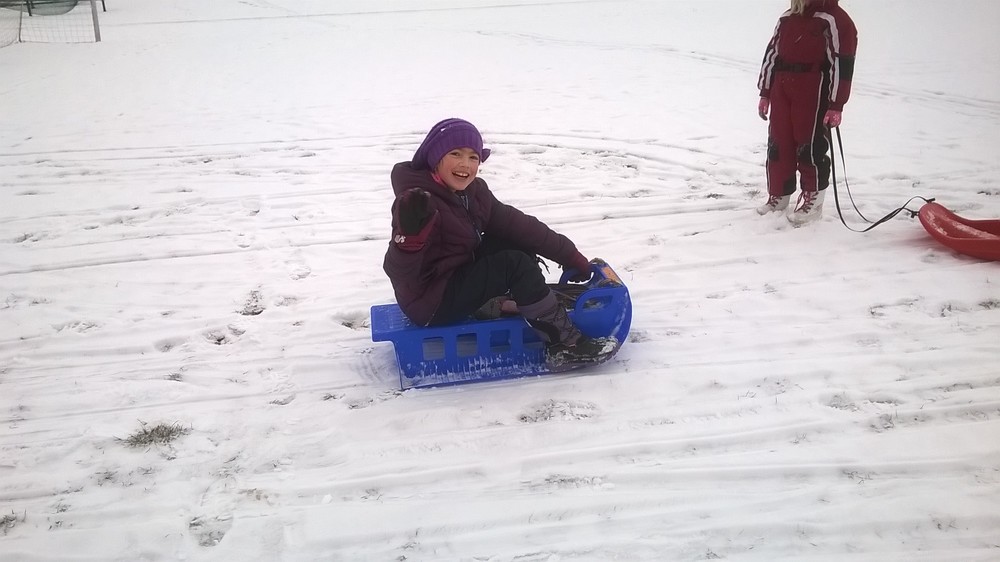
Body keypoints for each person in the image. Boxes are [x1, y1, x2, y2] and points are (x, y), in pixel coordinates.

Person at [382, 118, 617, 367]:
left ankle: (509, 302)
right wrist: (408, 242)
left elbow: (521, 226)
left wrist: (570, 255)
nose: (465, 164)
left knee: (515, 240)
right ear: (435, 157)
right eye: (455, 154)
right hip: (430, 301)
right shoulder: (417, 203)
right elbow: (400, 273)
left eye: (473, 157)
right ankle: (565, 345)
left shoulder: (473, 193)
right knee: (513, 264)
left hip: (456, 276)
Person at [756, 0, 858, 224]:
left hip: (813, 87)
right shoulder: (788, 17)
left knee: (809, 145)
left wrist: (836, 104)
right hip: (782, 86)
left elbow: (842, 64)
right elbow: (772, 54)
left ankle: (813, 200)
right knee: (779, 143)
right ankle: (779, 195)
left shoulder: (836, 19)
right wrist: (765, 92)